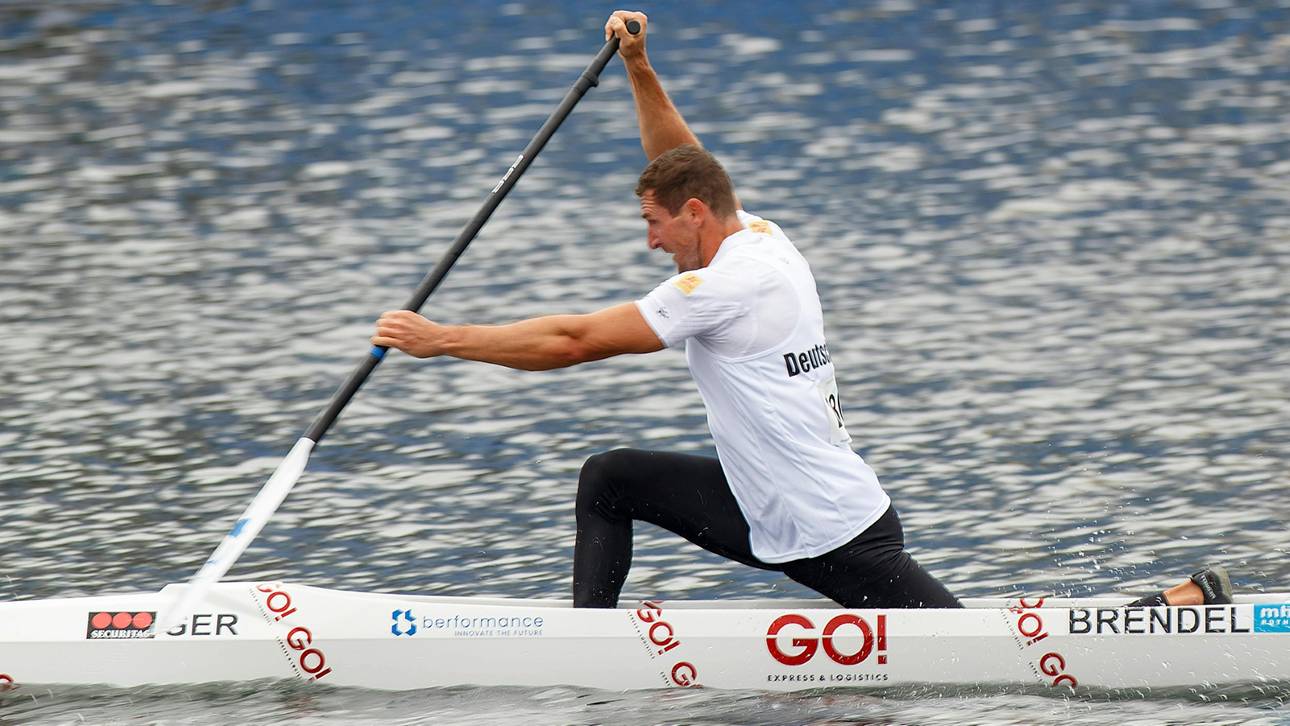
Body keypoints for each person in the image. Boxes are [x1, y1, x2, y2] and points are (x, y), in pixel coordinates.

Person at [373, 10, 1232, 611]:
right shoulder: (757, 232)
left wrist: (443, 340)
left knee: (973, 648)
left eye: (654, 225)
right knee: (610, 480)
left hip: (829, 525)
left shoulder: (725, 286)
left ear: (694, 217)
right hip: (763, 504)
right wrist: (637, 65)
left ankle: (1169, 605)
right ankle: (586, 645)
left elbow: (572, 343)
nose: (650, 242)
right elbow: (679, 154)